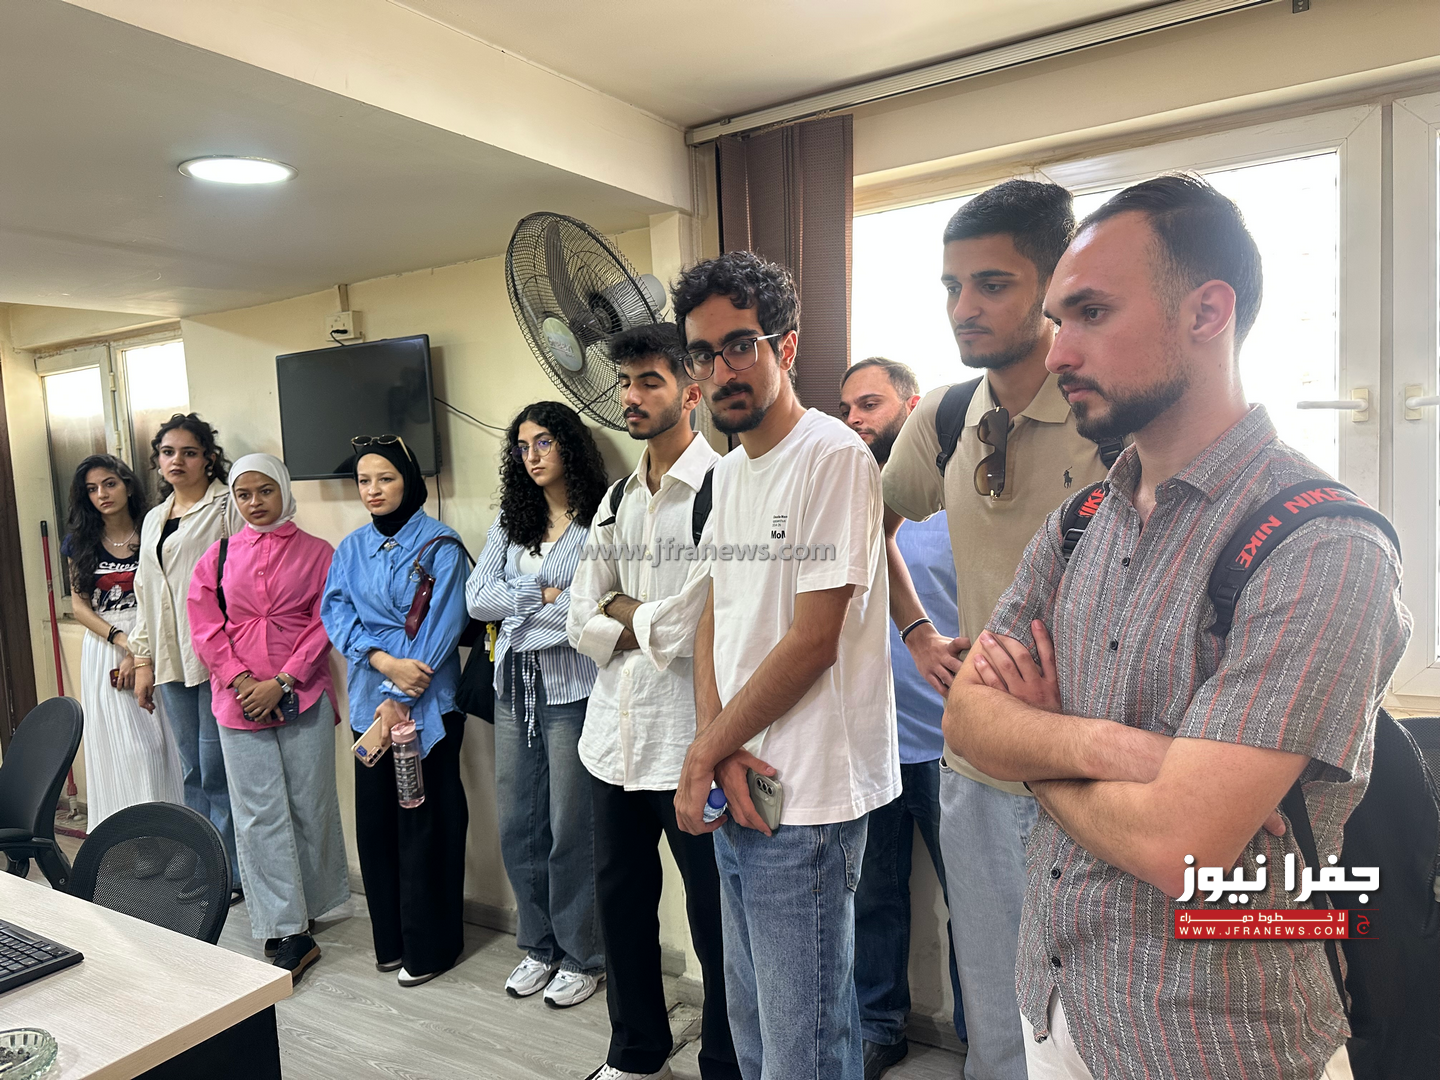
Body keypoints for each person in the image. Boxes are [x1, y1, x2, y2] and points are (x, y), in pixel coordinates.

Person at [945, 174, 1410, 1080]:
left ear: (1208, 312)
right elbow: (967, 717)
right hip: (1055, 999)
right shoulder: (1081, 521)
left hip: (1213, 1038)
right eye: (1056, 318)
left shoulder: (1324, 545)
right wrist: (1133, 752)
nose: (1057, 350)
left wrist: (1035, 745)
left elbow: (1181, 847)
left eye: (1090, 313)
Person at [883, 179, 1110, 1079]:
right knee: (999, 1022)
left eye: (992, 284)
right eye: (952, 286)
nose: (963, 308)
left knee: (1096, 1027)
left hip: (1094, 772)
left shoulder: (1111, 416)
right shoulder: (943, 417)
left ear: (1052, 286)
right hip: (976, 769)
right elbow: (868, 530)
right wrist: (917, 632)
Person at [672, 251, 900, 1080]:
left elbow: (813, 639)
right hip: (739, 781)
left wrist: (706, 752)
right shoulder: (731, 473)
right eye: (704, 354)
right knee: (755, 1036)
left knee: (804, 1050)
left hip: (805, 799)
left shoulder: (832, 457)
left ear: (786, 346)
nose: (722, 370)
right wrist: (716, 745)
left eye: (741, 345)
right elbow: (713, 615)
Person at [567, 324, 737, 1080]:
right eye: (625, 383)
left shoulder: (722, 492)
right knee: (621, 903)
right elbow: (579, 614)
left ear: (691, 392)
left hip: (687, 742)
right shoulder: (614, 498)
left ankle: (727, 1060)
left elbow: (695, 618)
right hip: (612, 739)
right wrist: (639, 618)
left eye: (649, 382)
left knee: (715, 914)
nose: (630, 397)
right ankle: (636, 1052)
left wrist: (625, 613)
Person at [838, 359, 965, 1079]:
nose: (856, 419)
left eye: (870, 404)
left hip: (954, 748)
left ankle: (986, 1042)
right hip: (871, 746)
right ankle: (878, 1028)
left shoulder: (955, 505)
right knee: (874, 900)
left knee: (972, 905)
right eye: (847, 409)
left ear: (911, 408)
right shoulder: (849, 511)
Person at [467, 401, 609, 1009]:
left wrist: (526, 613)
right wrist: (540, 594)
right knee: (518, 825)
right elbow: (477, 599)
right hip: (513, 689)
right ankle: (539, 946)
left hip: (574, 692)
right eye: (522, 445)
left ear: (569, 445)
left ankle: (583, 956)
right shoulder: (512, 519)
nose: (532, 455)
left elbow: (590, 611)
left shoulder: (600, 518)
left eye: (544, 441)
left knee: (571, 828)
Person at [188, 454, 348, 985]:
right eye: (243, 494)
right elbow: (205, 627)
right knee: (258, 814)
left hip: (302, 692)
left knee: (310, 804)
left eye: (265, 491)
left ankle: (310, 904)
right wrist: (241, 682)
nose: (254, 503)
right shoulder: (216, 556)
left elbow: (326, 621)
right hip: (237, 702)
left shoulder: (320, 553)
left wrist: (281, 681)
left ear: (283, 490)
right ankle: (287, 927)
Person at [321, 436, 469, 988]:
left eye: (385, 478)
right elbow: (336, 612)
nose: (373, 490)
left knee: (426, 825)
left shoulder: (441, 546)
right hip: (370, 705)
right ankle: (391, 942)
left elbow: (445, 626)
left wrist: (401, 695)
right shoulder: (351, 548)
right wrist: (381, 661)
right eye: (364, 481)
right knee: (378, 824)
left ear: (408, 480)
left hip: (426, 709)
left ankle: (432, 948)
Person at [130, 413, 243, 902]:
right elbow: (146, 592)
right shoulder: (155, 517)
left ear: (208, 458)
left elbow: (241, 580)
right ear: (158, 460)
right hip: (170, 659)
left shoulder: (226, 507)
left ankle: (229, 871)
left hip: (215, 658)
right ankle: (202, 857)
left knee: (218, 769)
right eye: (168, 452)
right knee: (192, 768)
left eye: (189, 452)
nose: (177, 460)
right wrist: (143, 660)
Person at [62, 454, 184, 829]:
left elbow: (165, 593)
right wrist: (123, 642)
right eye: (92, 489)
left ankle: (177, 834)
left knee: (164, 745)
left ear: (128, 486)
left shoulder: (154, 529)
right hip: (105, 648)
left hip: (157, 637)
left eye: (110, 484)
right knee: (125, 748)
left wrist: (139, 648)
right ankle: (132, 837)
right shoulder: (79, 542)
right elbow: (80, 606)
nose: (102, 494)